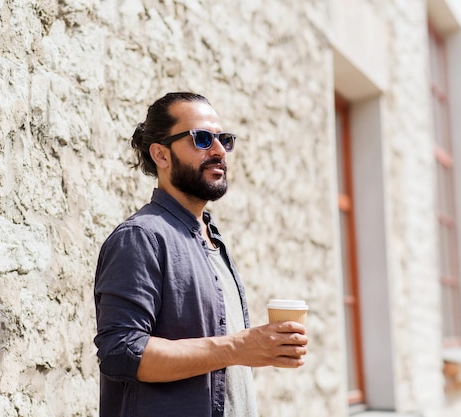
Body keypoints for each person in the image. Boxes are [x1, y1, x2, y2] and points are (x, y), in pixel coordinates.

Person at [93, 92, 308, 417]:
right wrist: (238, 346)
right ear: (161, 155)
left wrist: (263, 349)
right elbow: (121, 352)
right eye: (202, 139)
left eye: (224, 139)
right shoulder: (141, 238)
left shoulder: (212, 239)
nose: (219, 150)